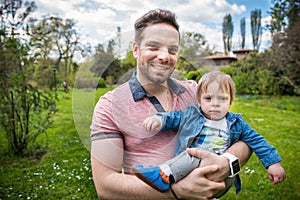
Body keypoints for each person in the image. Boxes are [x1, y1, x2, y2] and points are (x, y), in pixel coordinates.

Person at [90, 9, 252, 199]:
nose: (164, 57)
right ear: (136, 49)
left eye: (172, 50)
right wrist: (176, 192)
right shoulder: (110, 105)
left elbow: (244, 138)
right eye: (153, 47)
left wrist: (227, 162)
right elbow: (105, 186)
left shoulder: (196, 92)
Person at [132, 71, 286, 198]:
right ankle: (164, 175)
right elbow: (173, 117)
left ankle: (164, 174)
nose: (215, 103)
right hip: (189, 167)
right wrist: (158, 120)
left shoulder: (236, 123)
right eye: (208, 98)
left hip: (219, 170)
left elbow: (257, 140)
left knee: (194, 159)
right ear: (199, 101)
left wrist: (273, 163)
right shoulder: (191, 115)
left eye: (222, 99)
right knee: (191, 154)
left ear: (231, 102)